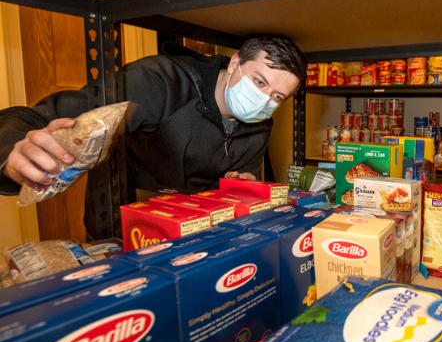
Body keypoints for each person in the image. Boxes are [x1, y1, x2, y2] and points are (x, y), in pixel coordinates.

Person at [0, 34, 306, 236]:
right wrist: (11, 151)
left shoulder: (261, 121)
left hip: (202, 237)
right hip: (127, 233)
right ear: (235, 62)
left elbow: (240, 183)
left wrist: (244, 189)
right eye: (260, 81)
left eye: (278, 96)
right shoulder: (160, 82)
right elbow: (36, 117)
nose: (264, 99)